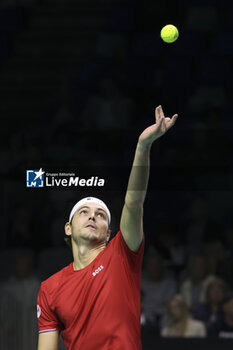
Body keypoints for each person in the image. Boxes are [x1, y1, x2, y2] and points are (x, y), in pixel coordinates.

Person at [36, 105, 178, 350]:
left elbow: (133, 202)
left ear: (108, 233)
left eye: (101, 215)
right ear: (68, 228)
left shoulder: (121, 254)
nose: (92, 217)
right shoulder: (50, 288)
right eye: (84, 212)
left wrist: (143, 146)